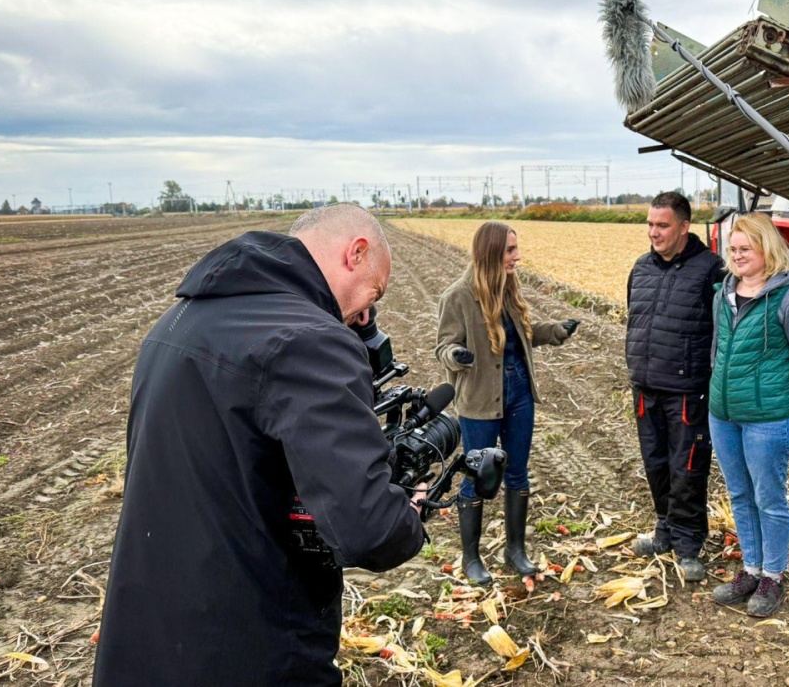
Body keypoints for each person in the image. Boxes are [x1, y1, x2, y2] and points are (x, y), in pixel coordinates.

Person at [94, 204, 426, 687]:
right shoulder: (311, 341)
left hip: (147, 637)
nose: (364, 316)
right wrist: (408, 517)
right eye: (373, 294)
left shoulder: (176, 322)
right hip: (249, 649)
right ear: (355, 253)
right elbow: (368, 528)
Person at [435, 221, 577, 586]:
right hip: (480, 399)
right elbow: (443, 346)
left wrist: (557, 330)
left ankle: (515, 551)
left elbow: (525, 335)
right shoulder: (459, 296)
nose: (517, 256)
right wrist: (457, 355)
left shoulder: (510, 288)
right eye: (510, 250)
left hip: (518, 394)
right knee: (478, 478)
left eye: (516, 248)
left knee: (517, 472)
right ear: (491, 253)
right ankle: (471, 558)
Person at [708, 214, 789, 617]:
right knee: (740, 495)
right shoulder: (724, 293)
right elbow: (717, 348)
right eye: (733, 250)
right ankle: (750, 569)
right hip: (722, 415)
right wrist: (715, 390)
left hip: (767, 418)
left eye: (745, 249)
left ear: (766, 251)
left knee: (768, 498)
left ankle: (773, 575)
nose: (737, 256)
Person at [626, 191, 726, 582]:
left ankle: (688, 544)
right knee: (655, 464)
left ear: (684, 227)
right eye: (650, 224)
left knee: (687, 468)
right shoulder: (641, 268)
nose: (654, 232)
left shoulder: (710, 270)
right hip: (645, 386)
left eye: (662, 225)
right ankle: (664, 529)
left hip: (686, 390)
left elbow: (722, 330)